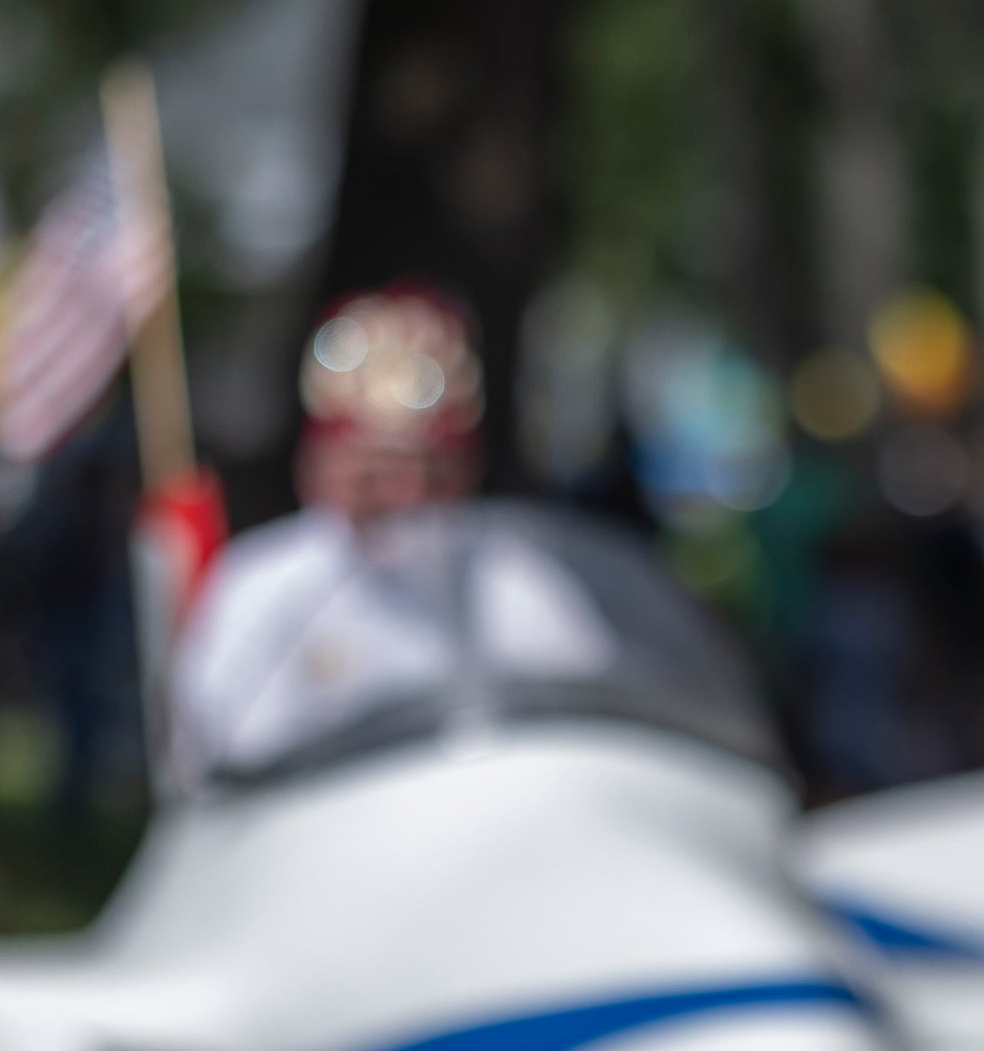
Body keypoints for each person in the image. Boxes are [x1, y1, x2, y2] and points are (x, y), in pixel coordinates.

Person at [164, 291, 658, 794]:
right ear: (315, 471)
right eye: (375, 475)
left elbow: (592, 714)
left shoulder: (511, 578)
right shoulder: (261, 585)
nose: (408, 497)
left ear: (468, 474)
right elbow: (223, 755)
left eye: (433, 472)